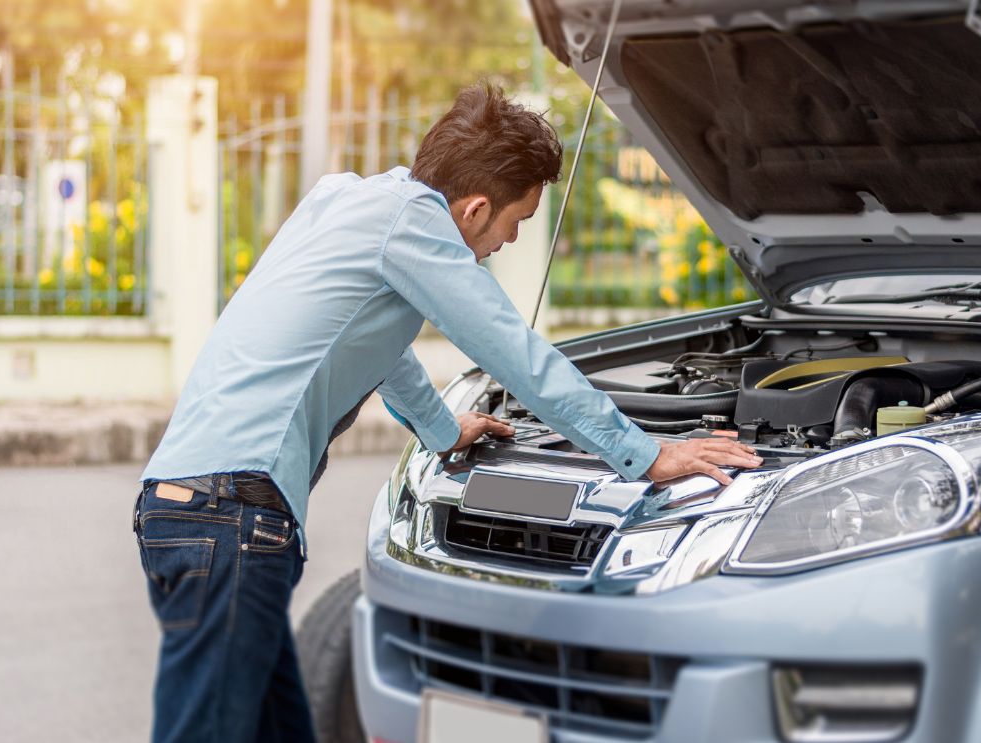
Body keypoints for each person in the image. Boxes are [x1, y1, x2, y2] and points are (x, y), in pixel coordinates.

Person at [132, 81, 762, 743]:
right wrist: (647, 453)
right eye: (514, 223)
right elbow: (510, 348)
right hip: (231, 518)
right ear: (475, 208)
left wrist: (439, 427)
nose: (509, 242)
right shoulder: (414, 224)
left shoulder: (346, 199)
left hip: (186, 507)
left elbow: (365, 340)